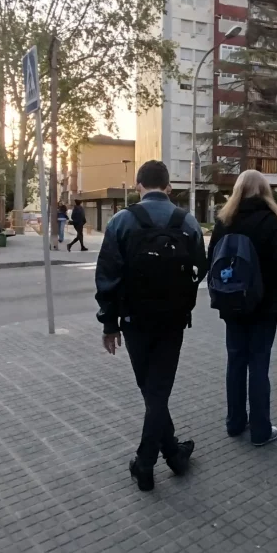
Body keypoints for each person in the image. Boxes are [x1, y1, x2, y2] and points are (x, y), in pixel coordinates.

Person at [94, 160, 206, 492]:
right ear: (168, 186)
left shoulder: (121, 221)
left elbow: (107, 277)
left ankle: (146, 463)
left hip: (134, 320)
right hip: (172, 320)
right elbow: (201, 268)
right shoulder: (188, 222)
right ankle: (172, 454)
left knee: (151, 389)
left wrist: (109, 323)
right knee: (156, 391)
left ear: (139, 184)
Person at [207, 170, 277, 445]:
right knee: (259, 365)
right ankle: (261, 431)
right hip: (263, 308)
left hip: (231, 305)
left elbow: (212, 262)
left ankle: (234, 423)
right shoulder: (269, 220)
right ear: (264, 191)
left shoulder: (224, 219)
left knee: (235, 362)